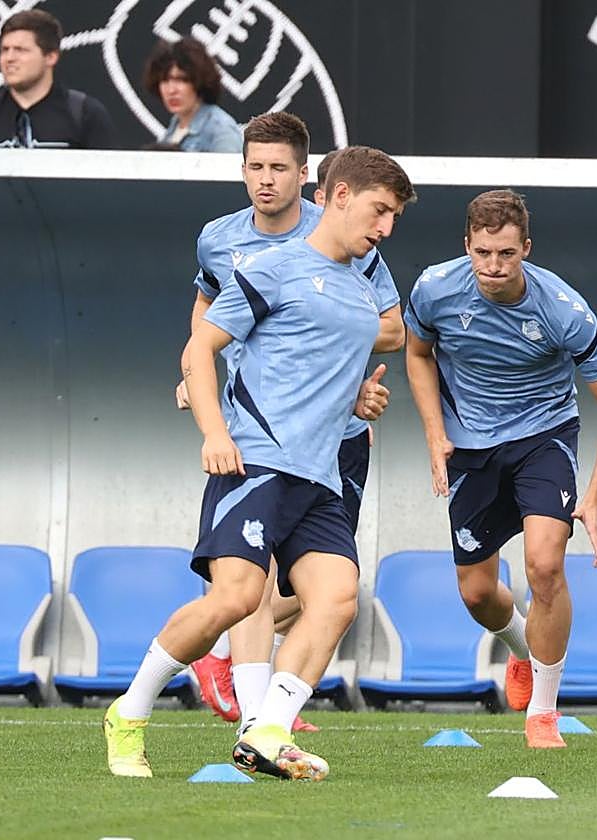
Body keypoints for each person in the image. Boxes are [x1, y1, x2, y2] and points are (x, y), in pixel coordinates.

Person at [103, 145, 415, 781]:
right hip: (258, 463)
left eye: (394, 219)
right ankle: (129, 713)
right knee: (236, 600)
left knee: (336, 599)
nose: (384, 229)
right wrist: (214, 431)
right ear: (338, 195)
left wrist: (361, 395)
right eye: (379, 211)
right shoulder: (273, 269)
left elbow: (325, 369)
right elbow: (202, 348)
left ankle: (267, 732)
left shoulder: (363, 295)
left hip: (322, 475)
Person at [182, 128, 403, 735]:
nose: (266, 179)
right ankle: (258, 716)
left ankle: (224, 655)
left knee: (325, 588)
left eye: (279, 167)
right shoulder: (219, 239)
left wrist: (332, 348)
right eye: (255, 166)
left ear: (307, 175)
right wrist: (195, 369)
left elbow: (392, 329)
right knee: (251, 575)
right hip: (258, 426)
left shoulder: (346, 231)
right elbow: (208, 315)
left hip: (336, 433)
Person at [404, 190, 597, 748]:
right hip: (470, 447)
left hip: (544, 437)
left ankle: (544, 715)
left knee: (545, 566)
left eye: (506, 254)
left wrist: (595, 496)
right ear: (467, 246)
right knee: (477, 593)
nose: (493, 266)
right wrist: (435, 434)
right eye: (482, 252)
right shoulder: (434, 289)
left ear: (526, 249)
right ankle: (522, 650)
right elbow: (416, 355)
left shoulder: (563, 311)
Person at [0, 9, 115, 149]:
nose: (9, 58)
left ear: (51, 57)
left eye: (20, 50)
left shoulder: (86, 114)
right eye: (4, 50)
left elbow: (109, 180)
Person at [142, 37, 243, 153]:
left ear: (200, 81)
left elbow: (228, 170)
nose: (171, 90)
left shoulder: (221, 130)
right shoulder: (175, 125)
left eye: (181, 79)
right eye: (164, 80)